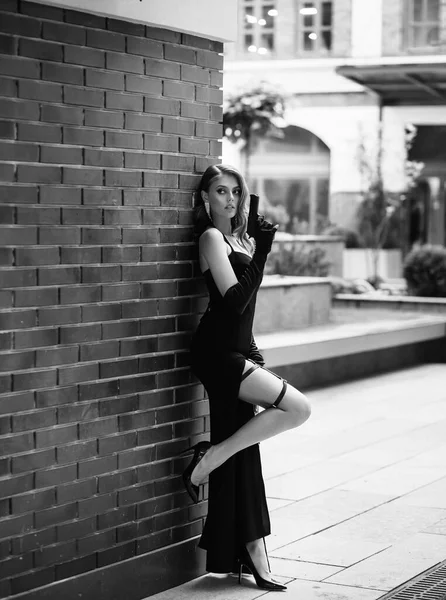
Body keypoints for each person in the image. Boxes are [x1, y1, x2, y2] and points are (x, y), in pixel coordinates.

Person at [182, 164, 311, 591]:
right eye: (221, 192)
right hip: (216, 354)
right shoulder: (212, 238)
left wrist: (253, 351)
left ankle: (248, 552)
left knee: (247, 448)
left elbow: (246, 312)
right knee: (297, 407)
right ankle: (211, 459)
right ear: (206, 199)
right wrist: (263, 252)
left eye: (236, 192)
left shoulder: (240, 239)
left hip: (238, 350)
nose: (231, 200)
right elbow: (234, 301)